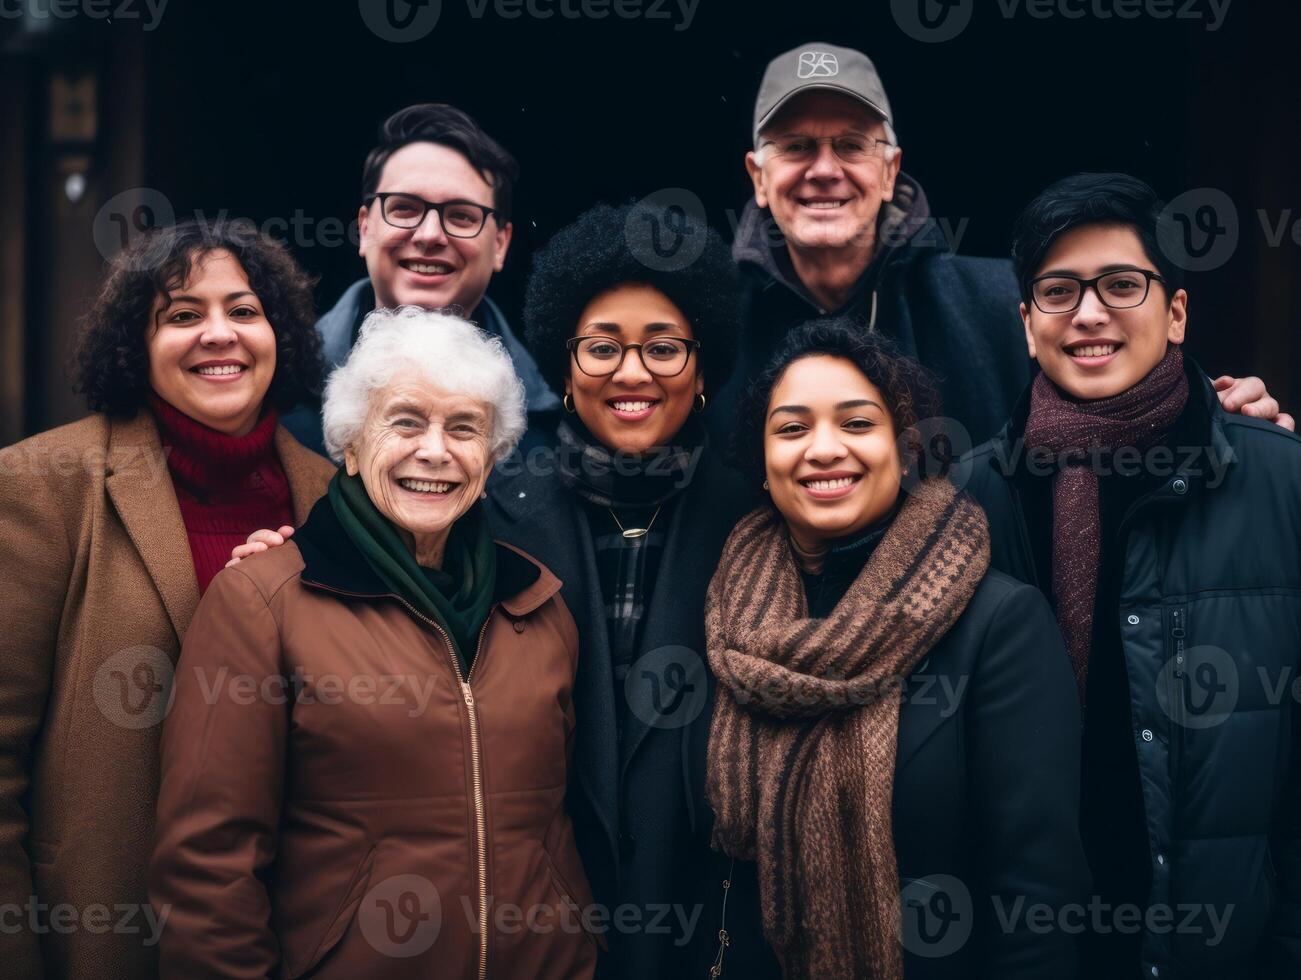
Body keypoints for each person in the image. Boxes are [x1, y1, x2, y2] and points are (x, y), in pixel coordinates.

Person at [150, 309, 597, 979]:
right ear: (351, 444)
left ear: (492, 456)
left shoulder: (537, 603)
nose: (436, 450)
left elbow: (559, 828)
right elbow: (207, 871)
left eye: (464, 427)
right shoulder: (262, 605)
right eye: (406, 421)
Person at [962, 172, 1301, 978]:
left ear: (1175, 312)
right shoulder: (969, 498)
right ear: (1023, 323)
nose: (1087, 313)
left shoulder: (1277, 483)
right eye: (1057, 291)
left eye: (1121, 285)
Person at [704, 320, 1089, 979]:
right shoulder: (726, 618)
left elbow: (1038, 898)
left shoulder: (997, 624)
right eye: (791, 429)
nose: (822, 450)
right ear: (762, 465)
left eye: (857, 424)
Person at [0, 220, 334, 978]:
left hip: (295, 939)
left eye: (244, 311)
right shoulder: (43, 484)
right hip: (107, 936)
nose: (220, 334)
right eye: (182, 315)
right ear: (134, 345)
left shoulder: (334, 497)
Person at [712, 42, 1291, 453]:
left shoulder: (1002, 296)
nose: (824, 170)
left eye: (850, 145)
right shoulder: (709, 318)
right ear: (757, 176)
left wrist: (1223, 416)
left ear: (890, 172)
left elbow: (1130, 391)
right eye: (796, 146)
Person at [487, 202, 748, 978]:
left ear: (702, 369)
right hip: (534, 916)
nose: (631, 374)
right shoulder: (493, 511)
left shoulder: (756, 515)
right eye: (602, 348)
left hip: (708, 921)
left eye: (663, 348)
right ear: (564, 367)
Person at [282, 103, 559, 454]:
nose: (429, 235)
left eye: (461, 216)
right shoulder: (277, 392)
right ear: (365, 228)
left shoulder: (555, 419)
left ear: (501, 244)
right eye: (404, 208)